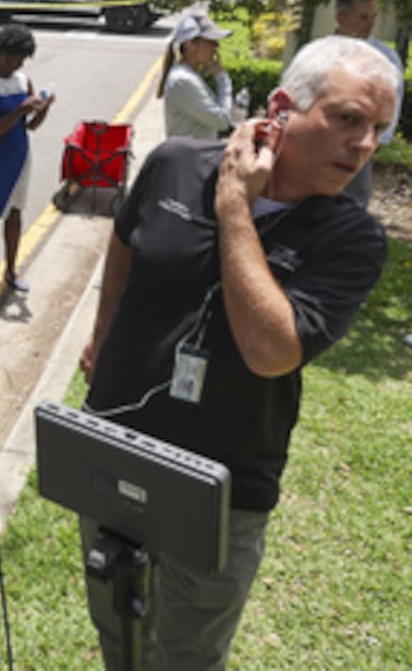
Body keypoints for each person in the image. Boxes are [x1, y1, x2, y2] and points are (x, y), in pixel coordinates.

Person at [77, 36, 400, 669]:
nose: (364, 145)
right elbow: (124, 241)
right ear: (282, 108)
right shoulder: (174, 164)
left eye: (378, 130)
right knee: (117, 633)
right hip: (119, 443)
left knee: (188, 656)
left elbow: (270, 353)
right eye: (347, 119)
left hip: (223, 484)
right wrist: (102, 331)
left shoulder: (351, 238)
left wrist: (234, 207)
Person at [0, 24, 53, 296]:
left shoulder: (23, 81)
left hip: (20, 155)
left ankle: (11, 270)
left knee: (15, 212)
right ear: (1, 53)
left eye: (23, 59)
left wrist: (43, 109)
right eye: (16, 57)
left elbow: (31, 126)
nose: (20, 64)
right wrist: (19, 110)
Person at [335, 0, 406, 206]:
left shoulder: (384, 56)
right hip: (321, 138)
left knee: (353, 201)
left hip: (362, 139)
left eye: (374, 17)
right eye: (363, 17)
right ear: (341, 18)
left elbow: (394, 98)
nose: (370, 24)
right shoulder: (320, 51)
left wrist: (380, 138)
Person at [157, 12, 234, 139]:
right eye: (210, 41)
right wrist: (222, 79)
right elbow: (222, 122)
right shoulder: (183, 81)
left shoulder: (190, 76)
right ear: (191, 44)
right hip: (189, 152)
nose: (217, 46)